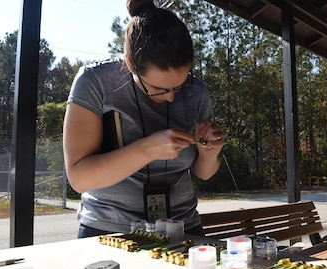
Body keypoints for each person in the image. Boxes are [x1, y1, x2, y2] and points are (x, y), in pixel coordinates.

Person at [63, 0, 226, 238]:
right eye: (159, 89)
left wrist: (209, 152)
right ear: (130, 63)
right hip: (109, 230)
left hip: (183, 227)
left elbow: (203, 173)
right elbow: (79, 178)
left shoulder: (197, 91)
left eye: (179, 86)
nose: (171, 98)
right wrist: (147, 149)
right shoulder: (95, 83)